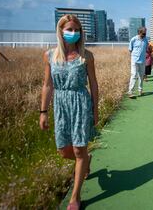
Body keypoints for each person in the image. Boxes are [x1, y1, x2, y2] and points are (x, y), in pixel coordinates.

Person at [39, 14, 98, 210]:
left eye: (76, 30)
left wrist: (95, 109)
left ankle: (75, 196)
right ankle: (86, 160)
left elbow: (94, 84)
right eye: (69, 29)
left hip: (81, 103)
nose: (73, 33)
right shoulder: (49, 55)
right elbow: (47, 85)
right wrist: (43, 111)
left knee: (78, 149)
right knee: (64, 151)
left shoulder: (86, 56)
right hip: (61, 105)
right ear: (60, 31)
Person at [128, 27, 148, 97]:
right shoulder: (133, 39)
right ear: (139, 32)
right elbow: (130, 49)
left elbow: (146, 49)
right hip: (134, 60)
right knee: (133, 75)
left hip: (142, 60)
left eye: (145, 33)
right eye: (143, 33)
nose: (145, 34)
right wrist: (134, 56)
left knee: (141, 76)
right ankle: (130, 92)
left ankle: (140, 90)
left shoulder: (146, 40)